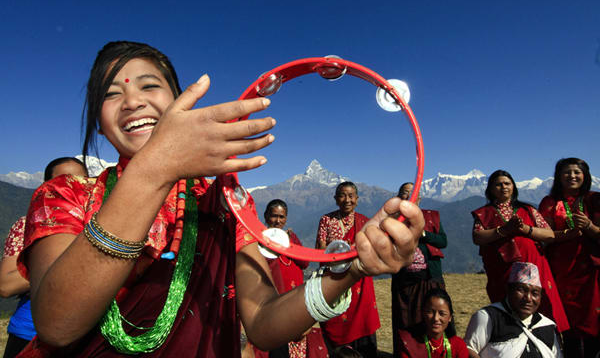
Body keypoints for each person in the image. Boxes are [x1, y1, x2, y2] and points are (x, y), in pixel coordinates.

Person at [16, 41, 425, 357]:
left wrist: (351, 267)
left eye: (150, 85)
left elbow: (263, 321)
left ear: (181, 103)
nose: (132, 101)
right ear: (99, 127)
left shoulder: (222, 200)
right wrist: (154, 170)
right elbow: (56, 323)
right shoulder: (64, 195)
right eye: (110, 94)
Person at [0, 157, 88, 358]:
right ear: (46, 186)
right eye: (64, 180)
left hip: (84, 333)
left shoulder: (101, 226)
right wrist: (74, 262)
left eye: (82, 179)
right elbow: (5, 285)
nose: (73, 186)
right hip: (29, 334)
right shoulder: (26, 226)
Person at [471, 170, 568, 333]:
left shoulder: (528, 210)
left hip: (535, 264)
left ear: (514, 187)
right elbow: (478, 236)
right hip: (503, 269)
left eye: (507, 183)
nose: (503, 187)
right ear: (491, 189)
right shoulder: (484, 213)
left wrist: (526, 229)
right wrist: (504, 230)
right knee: (509, 308)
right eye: (498, 184)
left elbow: (549, 234)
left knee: (541, 306)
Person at [538, 158, 600, 357]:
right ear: (558, 177)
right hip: (562, 270)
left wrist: (589, 227)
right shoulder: (550, 203)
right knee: (568, 320)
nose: (572, 176)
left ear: (585, 176)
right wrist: (565, 234)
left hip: (592, 270)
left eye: (577, 172)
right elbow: (542, 235)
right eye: (566, 172)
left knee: (594, 317)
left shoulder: (595, 199)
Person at [254, 199, 327, 358]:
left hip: (295, 301)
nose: (278, 221)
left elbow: (305, 262)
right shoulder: (260, 240)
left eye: (282, 217)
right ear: (266, 217)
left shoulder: (291, 237)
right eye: (274, 216)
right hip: (273, 304)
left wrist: (289, 244)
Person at [316, 182, 380, 358]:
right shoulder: (326, 220)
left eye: (351, 196)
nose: (347, 200)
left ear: (357, 199)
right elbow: (321, 250)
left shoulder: (365, 222)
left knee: (363, 326)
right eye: (342, 195)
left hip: (360, 281)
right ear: (336, 199)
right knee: (336, 328)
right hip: (335, 281)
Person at [392, 182, 448, 356]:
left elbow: (442, 242)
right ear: (398, 198)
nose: (409, 197)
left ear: (420, 197)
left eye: (413, 193)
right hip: (404, 282)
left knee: (431, 320)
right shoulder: (392, 221)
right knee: (405, 321)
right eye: (404, 194)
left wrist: (422, 233)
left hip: (429, 279)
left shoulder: (431, 217)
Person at [464, 262, 563, 358]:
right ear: (509, 289)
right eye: (521, 290)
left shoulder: (547, 326)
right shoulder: (489, 317)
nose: (528, 298)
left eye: (535, 293)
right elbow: (468, 349)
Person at [396, 288, 468, 358]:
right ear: (423, 313)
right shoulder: (409, 342)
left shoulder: (458, 345)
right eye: (430, 312)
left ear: (450, 317)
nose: (436, 318)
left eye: (442, 313)